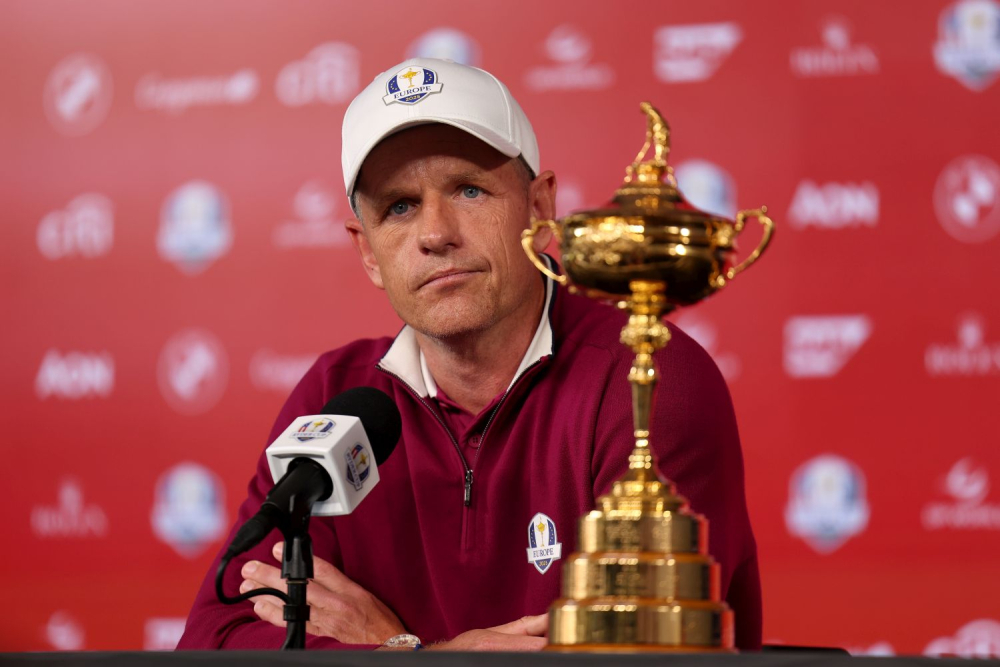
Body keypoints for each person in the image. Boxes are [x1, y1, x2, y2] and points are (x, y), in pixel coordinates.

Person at [177, 57, 761, 652]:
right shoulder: (336, 392)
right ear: (369, 253)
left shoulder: (647, 379)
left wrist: (396, 648)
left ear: (540, 208)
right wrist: (415, 656)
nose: (435, 233)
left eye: (469, 188)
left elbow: (646, 656)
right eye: (399, 207)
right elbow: (215, 637)